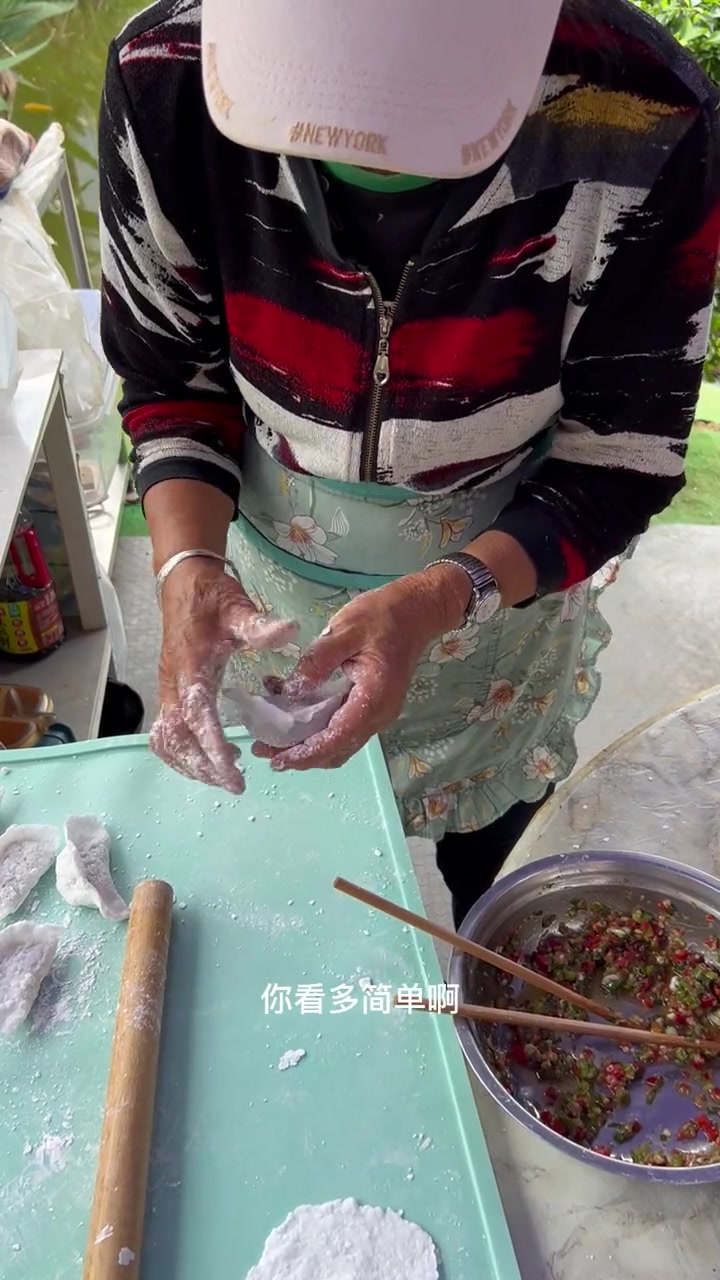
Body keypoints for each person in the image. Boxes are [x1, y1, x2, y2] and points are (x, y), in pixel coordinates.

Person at [99, 0, 720, 927]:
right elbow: (171, 379)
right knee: (298, 876)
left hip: (500, 585)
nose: (368, 153)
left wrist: (440, 595)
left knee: (501, 881)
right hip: (275, 579)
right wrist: (190, 568)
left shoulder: (644, 114)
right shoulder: (168, 80)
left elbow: (620, 454)